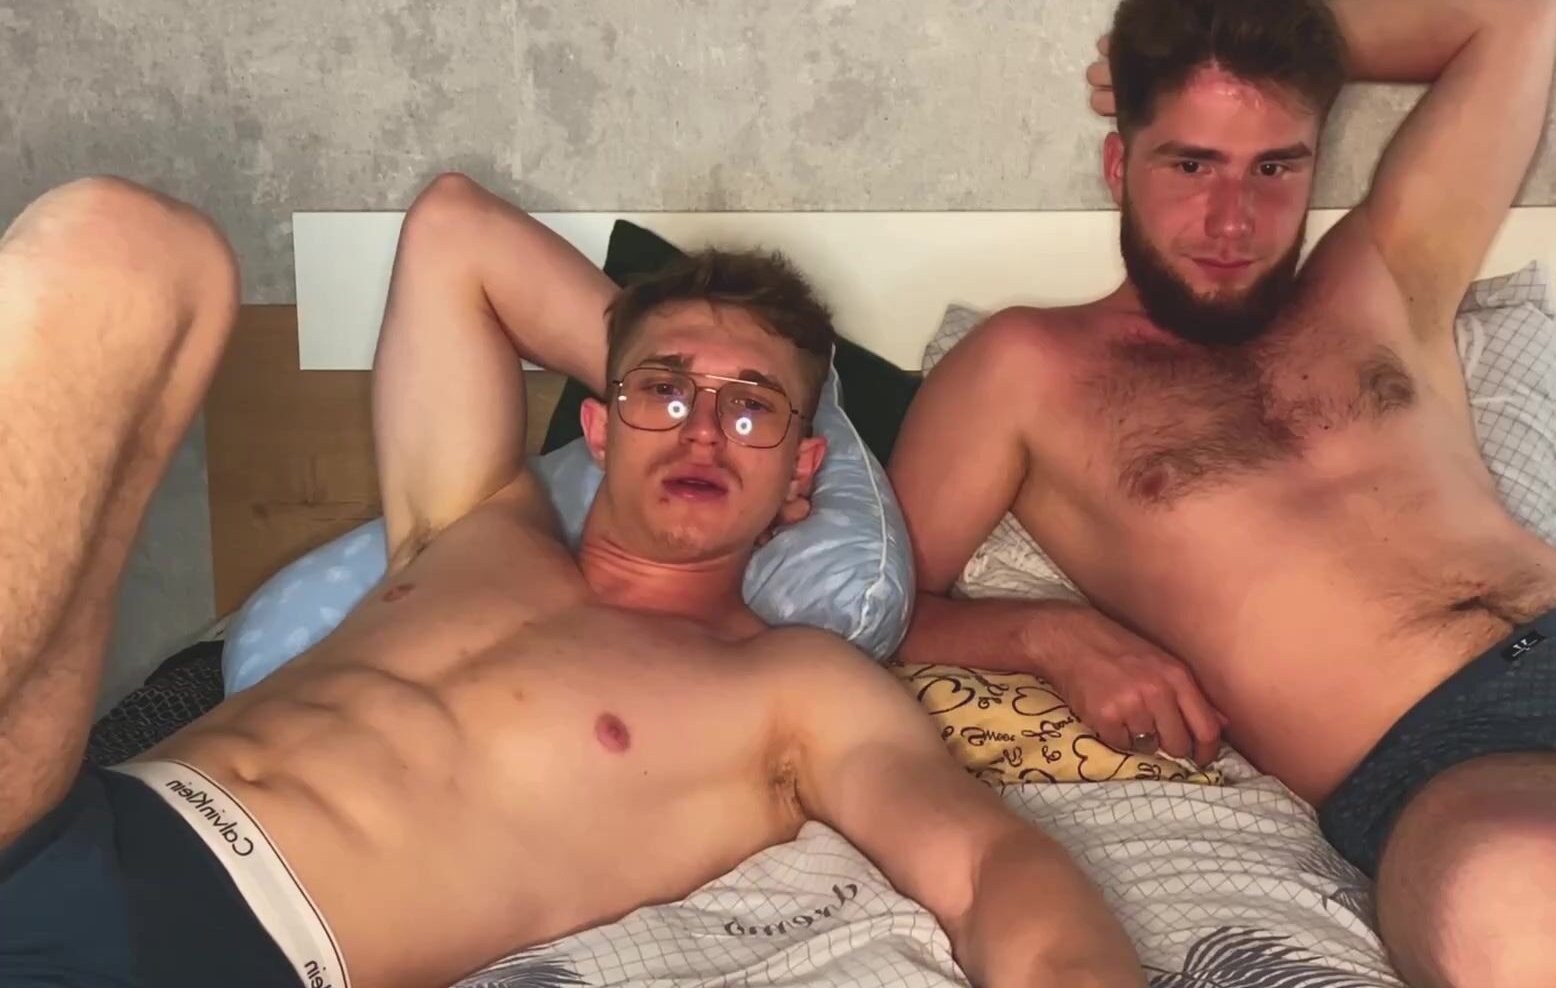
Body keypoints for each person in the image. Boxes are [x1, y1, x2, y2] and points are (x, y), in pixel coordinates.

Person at [887, 0, 1556, 987]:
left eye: (1275, 166)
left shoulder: (1378, 273)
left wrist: (1276, 50)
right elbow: (868, 610)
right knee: (1536, 941)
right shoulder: (1025, 368)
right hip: (1454, 768)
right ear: (1120, 168)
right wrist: (1051, 635)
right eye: (1191, 165)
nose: (1233, 221)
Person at [0, 173, 1142, 988]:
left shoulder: (793, 688)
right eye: (664, 394)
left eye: (751, 410)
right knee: (129, 243)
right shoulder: (471, 524)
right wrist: (668, 362)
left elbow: (988, 867)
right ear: (597, 425)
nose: (702, 432)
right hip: (71, 812)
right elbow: (453, 229)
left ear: (805, 473)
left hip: (214, 947)